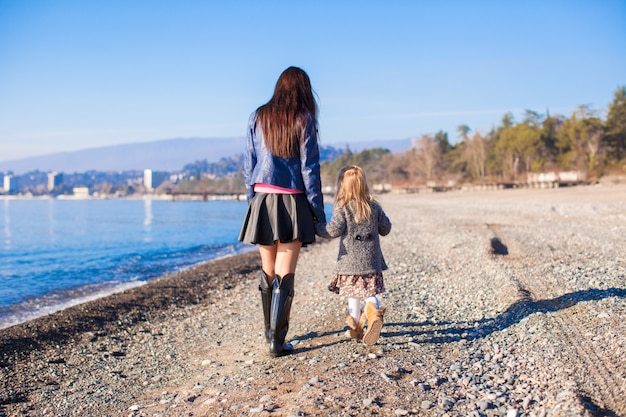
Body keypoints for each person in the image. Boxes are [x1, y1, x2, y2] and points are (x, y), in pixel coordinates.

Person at [238, 66, 325, 357]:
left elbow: (248, 162)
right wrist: (317, 213)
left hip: (262, 197)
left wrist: (253, 198)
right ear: (303, 89)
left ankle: (269, 336)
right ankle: (278, 341)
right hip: (292, 200)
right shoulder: (304, 117)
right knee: (285, 272)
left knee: (268, 270)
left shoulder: (257, 115)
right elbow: (309, 169)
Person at [315, 165, 391, 346]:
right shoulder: (374, 207)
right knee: (370, 293)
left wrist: (315, 226)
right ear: (364, 185)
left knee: (353, 295)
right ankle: (374, 315)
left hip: (350, 264)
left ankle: (356, 328)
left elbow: (332, 230)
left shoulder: (343, 209)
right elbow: (386, 229)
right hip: (372, 262)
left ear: (343, 187)